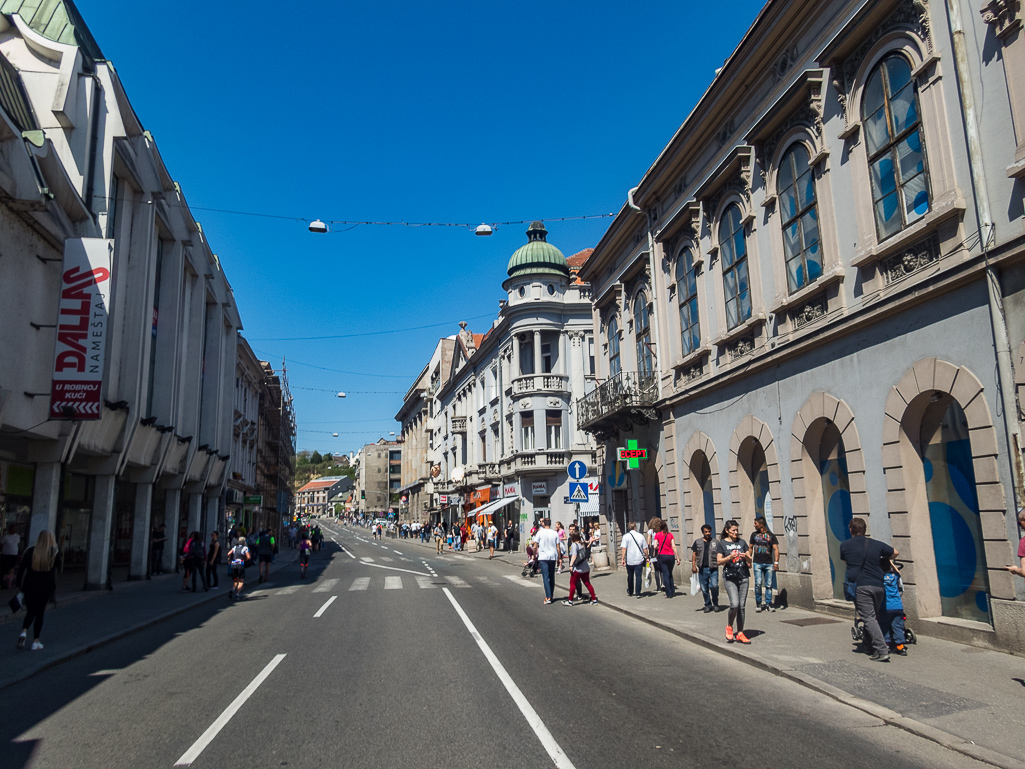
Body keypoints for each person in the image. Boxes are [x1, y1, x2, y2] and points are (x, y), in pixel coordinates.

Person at [840, 517, 897, 662]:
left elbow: (846, 561)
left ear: (851, 530)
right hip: (878, 585)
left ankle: (882, 650)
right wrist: (882, 561)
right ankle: (868, 645)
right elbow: (895, 552)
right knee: (871, 616)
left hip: (862, 587)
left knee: (868, 617)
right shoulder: (876, 544)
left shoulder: (845, 545)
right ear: (865, 530)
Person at [16, 530, 58, 651]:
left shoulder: (29, 551)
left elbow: (21, 570)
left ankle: (23, 633)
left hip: (29, 585)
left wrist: (18, 586)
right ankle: (36, 642)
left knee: (30, 611)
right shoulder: (53, 552)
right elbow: (55, 570)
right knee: (39, 613)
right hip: (45, 587)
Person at [716, 520, 752, 644]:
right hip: (730, 577)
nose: (736, 532)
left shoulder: (742, 542)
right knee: (734, 604)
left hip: (743, 577)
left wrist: (745, 556)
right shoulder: (722, 544)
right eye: (733, 530)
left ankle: (740, 632)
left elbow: (750, 560)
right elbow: (719, 561)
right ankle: (730, 626)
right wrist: (729, 557)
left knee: (742, 606)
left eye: (737, 530)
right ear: (727, 531)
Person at [749, 516, 780, 612]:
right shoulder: (754, 535)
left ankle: (768, 603)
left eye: (755, 523)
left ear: (761, 524)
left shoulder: (771, 535)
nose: (754, 525)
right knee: (758, 583)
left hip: (768, 563)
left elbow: (776, 549)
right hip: (757, 563)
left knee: (769, 584)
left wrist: (776, 562)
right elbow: (750, 548)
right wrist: (748, 560)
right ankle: (758, 603)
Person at [691, 524, 721, 612]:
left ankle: (715, 603)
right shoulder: (698, 542)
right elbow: (694, 554)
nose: (708, 533)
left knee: (714, 586)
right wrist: (693, 566)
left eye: (709, 532)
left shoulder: (716, 542)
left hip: (713, 568)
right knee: (704, 588)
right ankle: (707, 604)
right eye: (706, 532)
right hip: (702, 569)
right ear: (703, 532)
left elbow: (720, 554)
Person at [563, 531, 597, 605]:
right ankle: (594, 599)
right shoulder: (582, 544)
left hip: (578, 568)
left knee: (572, 584)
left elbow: (574, 556)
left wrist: (571, 565)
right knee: (587, 583)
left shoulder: (574, 545)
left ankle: (570, 600)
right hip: (585, 567)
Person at [881, 561, 908, 656]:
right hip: (897, 606)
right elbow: (898, 573)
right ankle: (900, 646)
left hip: (885, 606)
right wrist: (890, 562)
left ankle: (886, 644)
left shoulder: (879, 578)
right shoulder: (894, 577)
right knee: (898, 626)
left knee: (884, 625)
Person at [531, 519, 560, 605]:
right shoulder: (554, 533)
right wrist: (559, 557)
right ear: (550, 524)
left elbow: (535, 546)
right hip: (552, 556)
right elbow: (558, 547)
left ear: (543, 524)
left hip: (543, 557)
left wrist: (534, 555)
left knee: (546, 577)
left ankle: (548, 596)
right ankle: (551, 595)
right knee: (552, 576)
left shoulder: (540, 533)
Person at [651, 517, 680, 598]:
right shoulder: (670, 534)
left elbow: (655, 545)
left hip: (662, 556)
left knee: (665, 574)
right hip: (671, 556)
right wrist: (677, 558)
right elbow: (674, 546)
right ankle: (672, 590)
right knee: (670, 573)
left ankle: (669, 593)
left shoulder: (658, 535)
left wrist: (658, 547)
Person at [620, 522, 647, 598]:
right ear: (635, 528)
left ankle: (631, 591)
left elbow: (623, 549)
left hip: (630, 560)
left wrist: (622, 559)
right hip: (639, 559)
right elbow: (645, 548)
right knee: (638, 576)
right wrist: (647, 557)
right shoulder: (640, 536)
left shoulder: (625, 537)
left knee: (630, 576)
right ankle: (638, 593)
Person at [646, 518, 663, 593]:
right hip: (660, 548)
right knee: (662, 568)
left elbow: (648, 542)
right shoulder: (661, 531)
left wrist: (649, 551)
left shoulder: (650, 531)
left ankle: (658, 587)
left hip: (654, 550)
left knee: (656, 569)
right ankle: (663, 584)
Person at [2, 524, 20, 590]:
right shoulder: (5, 537)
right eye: (13, 528)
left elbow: (17, 544)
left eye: (15, 528)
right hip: (6, 554)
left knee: (11, 568)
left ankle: (10, 582)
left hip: (14, 554)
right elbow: (1, 545)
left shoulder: (17, 536)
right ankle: (4, 582)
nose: (14, 529)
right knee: (4, 568)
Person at [1007, 509, 1025, 577]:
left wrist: (1016, 570)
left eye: (1020, 524)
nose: (1021, 528)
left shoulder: (1024, 541)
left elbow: (1024, 571)